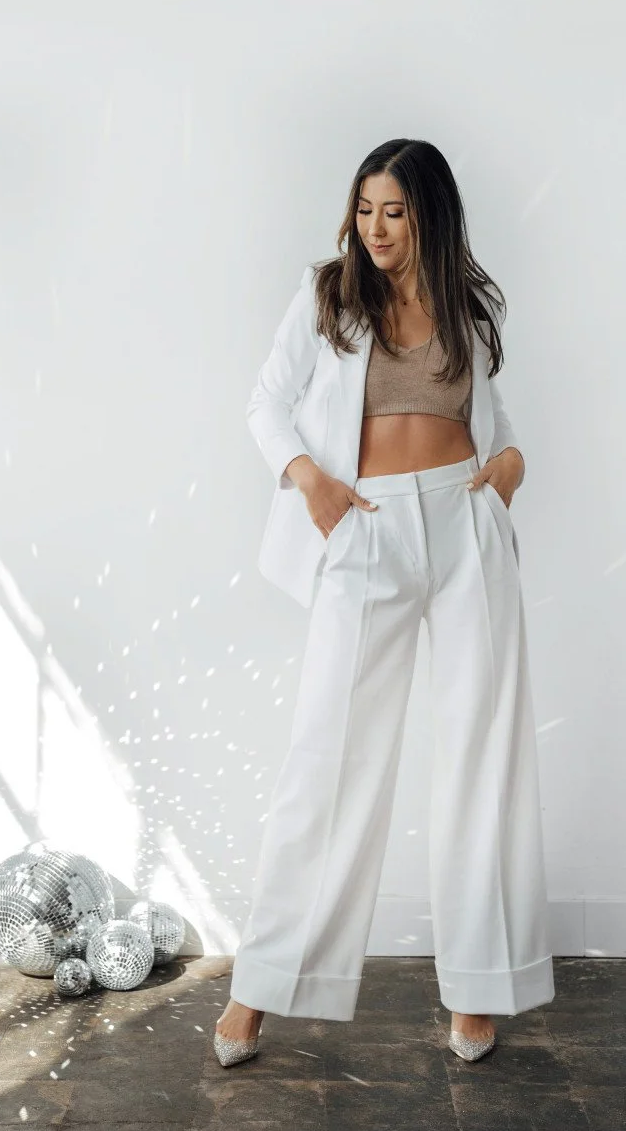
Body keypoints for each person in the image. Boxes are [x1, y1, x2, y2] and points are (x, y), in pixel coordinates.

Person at [213, 138, 555, 1069]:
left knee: (482, 753)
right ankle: (261, 983)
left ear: (429, 215)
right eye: (365, 209)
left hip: (465, 523)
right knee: (329, 755)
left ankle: (478, 989)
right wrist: (310, 480)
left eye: (394, 212)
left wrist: (510, 466)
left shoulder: (465, 302)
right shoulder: (328, 294)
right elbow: (265, 403)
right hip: (365, 528)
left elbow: (489, 417)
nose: (375, 228)